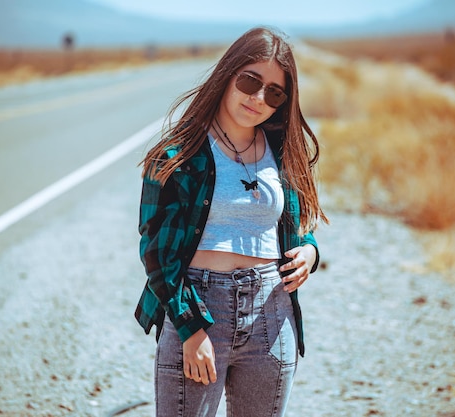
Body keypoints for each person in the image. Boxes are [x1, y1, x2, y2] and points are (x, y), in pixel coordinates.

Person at [134, 26, 328, 417]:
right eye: (250, 81)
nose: (258, 98)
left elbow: (293, 223)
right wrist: (190, 329)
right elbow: (156, 251)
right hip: (202, 306)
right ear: (228, 75)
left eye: (274, 92)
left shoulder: (283, 152)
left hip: (272, 312)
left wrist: (310, 250)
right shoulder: (178, 154)